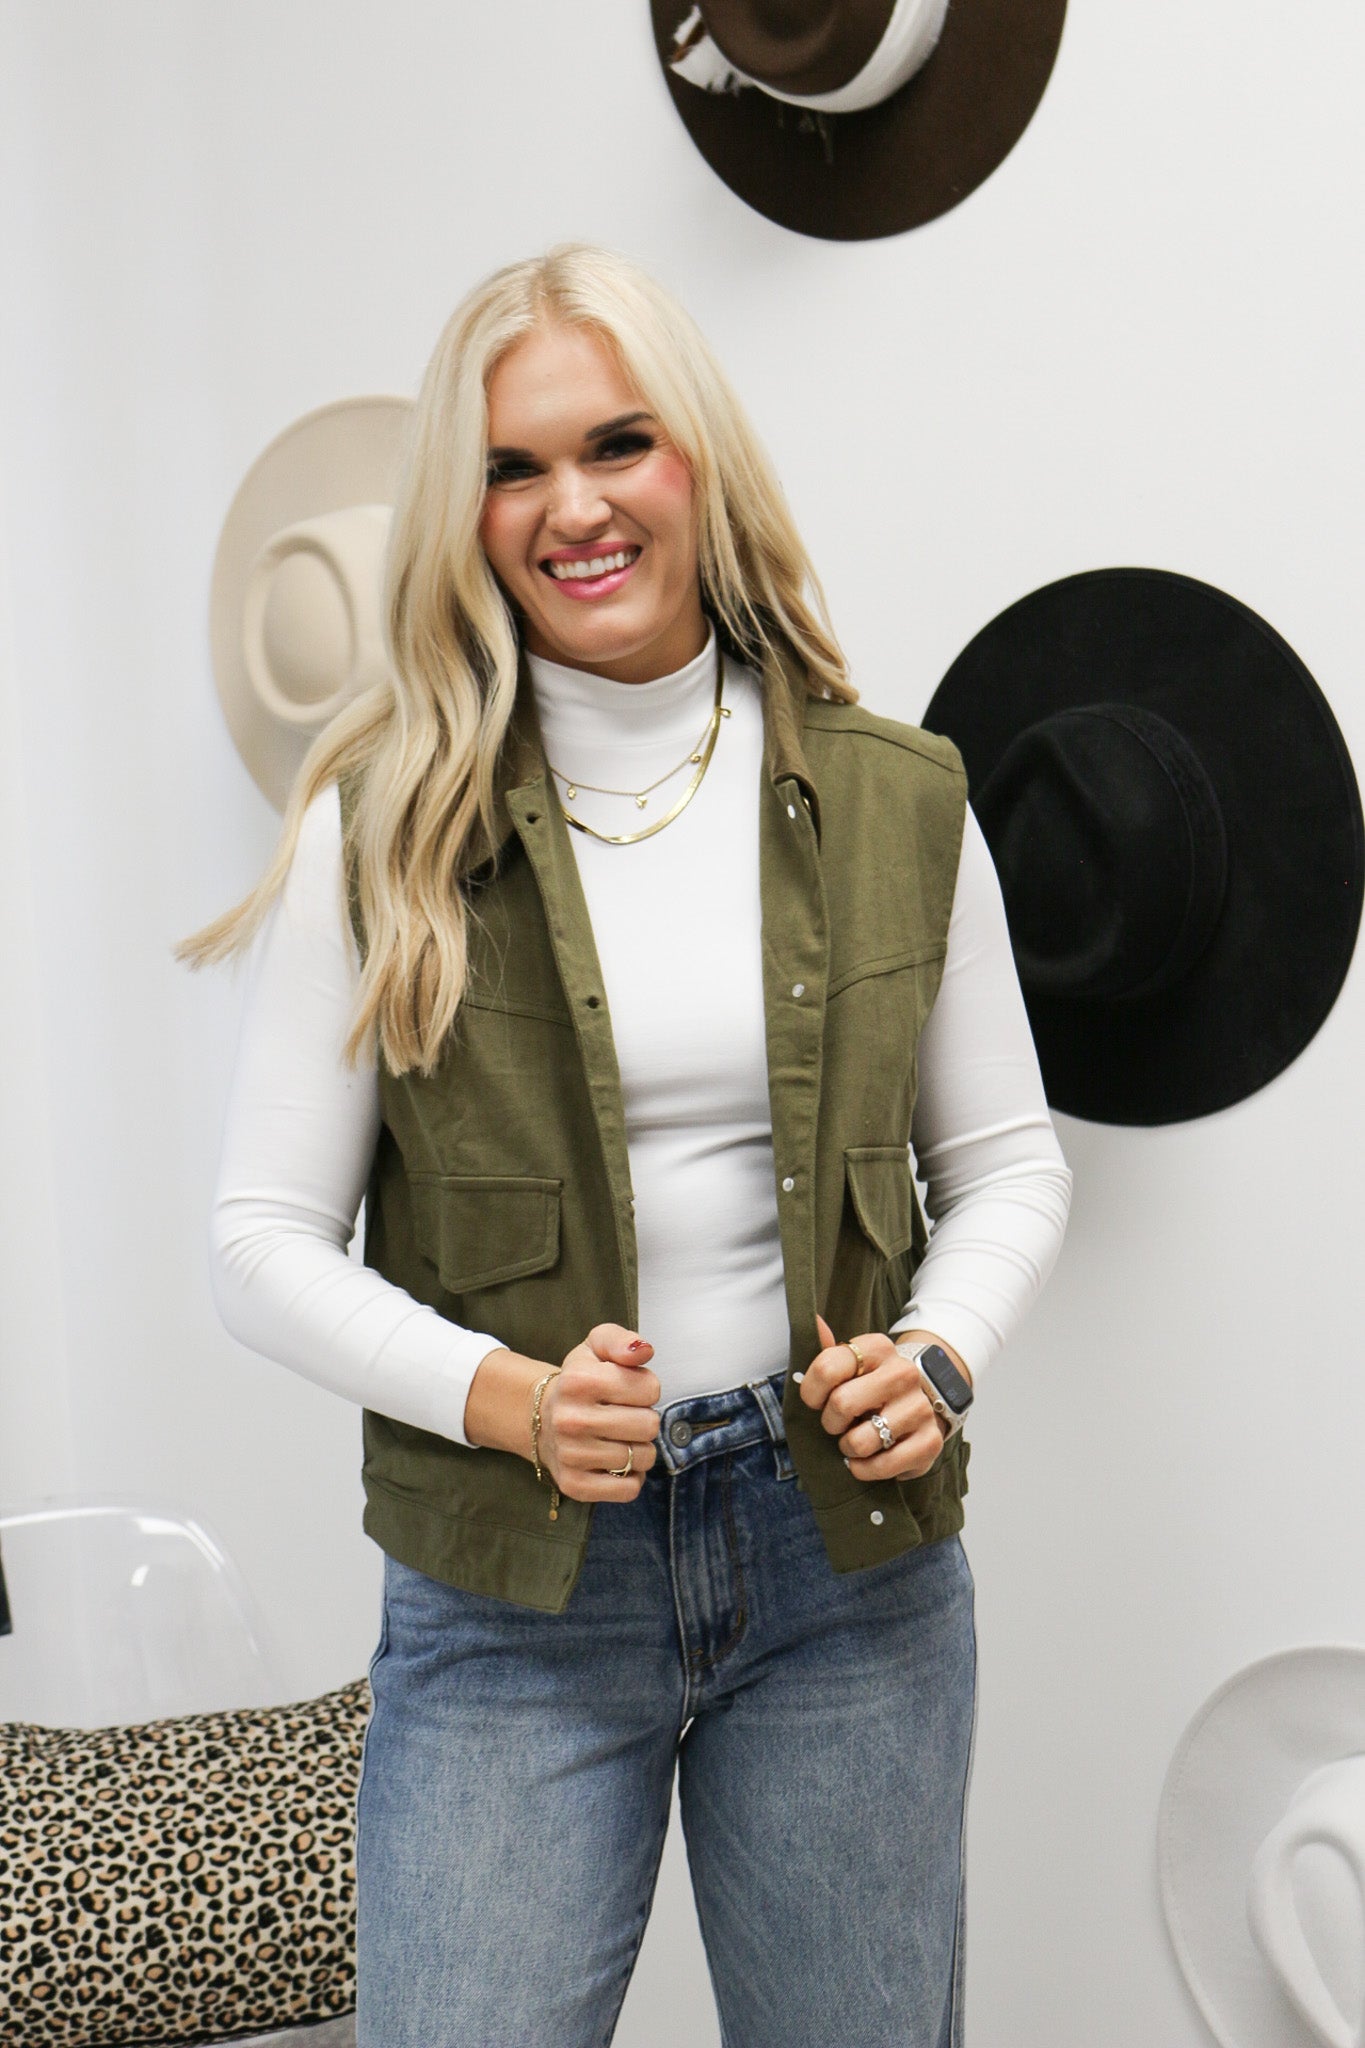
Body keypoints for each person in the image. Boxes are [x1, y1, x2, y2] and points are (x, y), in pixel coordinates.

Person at [184, 243, 1071, 2048]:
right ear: (462, 512)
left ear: (697, 460)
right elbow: (257, 1241)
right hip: (511, 1594)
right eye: (511, 467)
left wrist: (938, 1355)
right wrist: (506, 1397)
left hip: (844, 1571)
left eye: (616, 444)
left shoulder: (898, 798)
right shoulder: (382, 830)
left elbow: (1009, 1166)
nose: (570, 507)